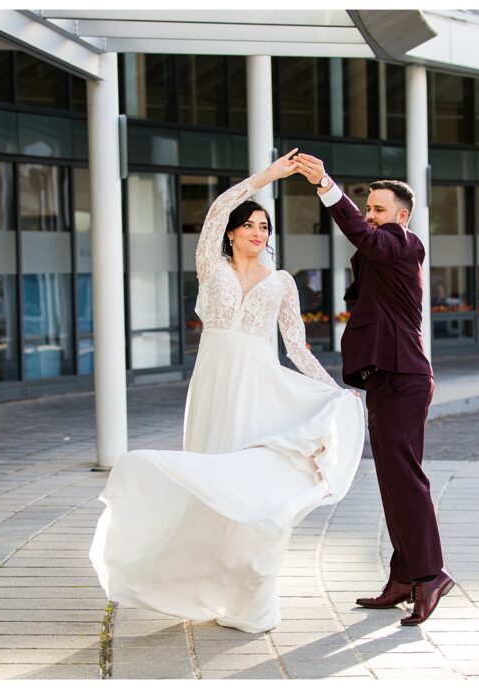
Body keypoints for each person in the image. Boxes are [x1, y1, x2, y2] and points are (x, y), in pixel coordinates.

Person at [90, 149, 364, 634]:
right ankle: (198, 582)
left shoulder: (281, 282)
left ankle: (251, 598)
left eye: (266, 228)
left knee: (251, 488)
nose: (259, 233)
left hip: (259, 387)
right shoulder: (210, 269)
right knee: (209, 478)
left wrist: (334, 391)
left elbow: (297, 348)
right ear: (234, 232)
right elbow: (218, 207)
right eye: (253, 225)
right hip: (215, 383)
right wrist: (269, 177)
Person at [293, 153, 454, 626]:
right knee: (391, 481)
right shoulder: (375, 254)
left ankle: (431, 575)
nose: (370, 215)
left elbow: (364, 236)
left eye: (379, 209)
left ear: (401, 217)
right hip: (384, 377)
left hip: (405, 377)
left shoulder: (405, 243)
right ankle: (403, 577)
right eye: (368, 208)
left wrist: (325, 183)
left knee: (407, 478)